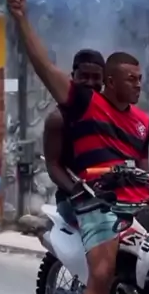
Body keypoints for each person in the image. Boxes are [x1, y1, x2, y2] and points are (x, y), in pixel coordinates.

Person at [6, 0, 149, 294]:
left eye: (140, 79)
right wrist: (22, 18)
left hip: (121, 198)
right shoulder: (70, 111)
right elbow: (43, 68)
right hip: (86, 198)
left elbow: (146, 135)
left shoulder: (133, 118)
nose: (138, 84)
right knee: (102, 273)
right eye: (131, 79)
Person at [44, 48, 105, 227]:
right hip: (73, 200)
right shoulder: (58, 118)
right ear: (73, 77)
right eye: (84, 76)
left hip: (109, 196)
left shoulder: (110, 113)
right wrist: (76, 191)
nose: (90, 83)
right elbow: (53, 164)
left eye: (96, 77)